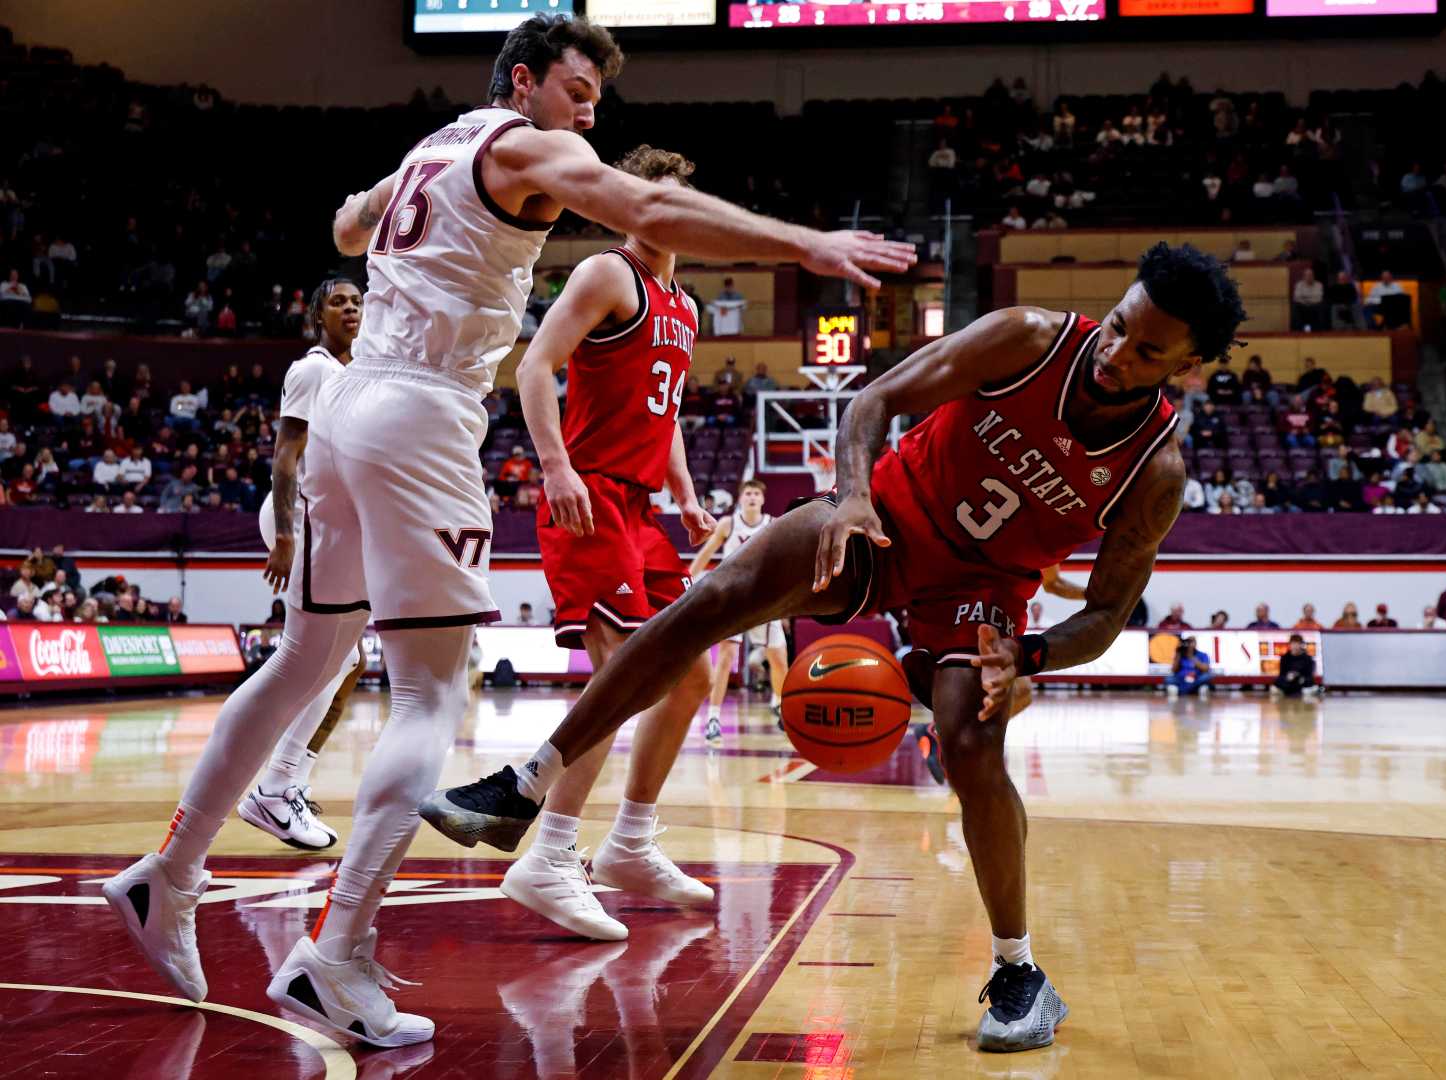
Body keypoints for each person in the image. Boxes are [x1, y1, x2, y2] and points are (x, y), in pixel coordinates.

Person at [100, 14, 916, 1048]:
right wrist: (805, 243)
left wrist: (376, 208)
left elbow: (348, 230)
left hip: (353, 414)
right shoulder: (531, 148)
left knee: (304, 660)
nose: (588, 117)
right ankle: (335, 956)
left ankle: (169, 873)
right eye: (576, 92)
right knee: (432, 694)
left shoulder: (432, 147)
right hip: (422, 416)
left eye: (596, 103)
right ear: (522, 81)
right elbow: (648, 201)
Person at [420, 241, 1245, 1054]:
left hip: (980, 591)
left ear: (1190, 365)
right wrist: (852, 494)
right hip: (886, 518)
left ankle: (1019, 972)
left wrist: (1025, 657)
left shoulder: (1154, 468)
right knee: (713, 598)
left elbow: (1105, 614)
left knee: (970, 742)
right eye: (1117, 326)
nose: (1114, 352)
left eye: (1146, 352)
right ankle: (524, 785)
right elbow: (872, 401)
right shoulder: (1029, 338)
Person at [451, 145, 724, 943]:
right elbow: (533, 367)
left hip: (640, 509)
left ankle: (631, 843)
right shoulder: (608, 274)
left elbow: (662, 412)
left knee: (691, 680)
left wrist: (683, 495)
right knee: (624, 680)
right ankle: (550, 856)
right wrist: (556, 466)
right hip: (589, 497)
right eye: (652, 200)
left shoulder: (686, 304)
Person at [237, 278, 367, 852]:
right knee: (312, 661)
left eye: (357, 300)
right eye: (338, 301)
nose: (351, 308)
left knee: (349, 661)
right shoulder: (313, 369)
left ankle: (288, 781)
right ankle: (274, 785)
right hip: (303, 521)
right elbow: (286, 455)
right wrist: (285, 536)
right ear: (318, 315)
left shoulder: (357, 372)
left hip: (331, 524)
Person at [689, 478, 789, 740]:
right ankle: (713, 718)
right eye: (748, 493)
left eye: (757, 493)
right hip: (733, 598)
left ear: (763, 499)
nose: (753, 497)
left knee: (778, 659)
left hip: (764, 600)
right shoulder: (728, 523)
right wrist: (689, 578)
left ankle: (779, 702)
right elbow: (706, 553)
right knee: (725, 658)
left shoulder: (773, 524)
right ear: (741, 499)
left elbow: (782, 562)